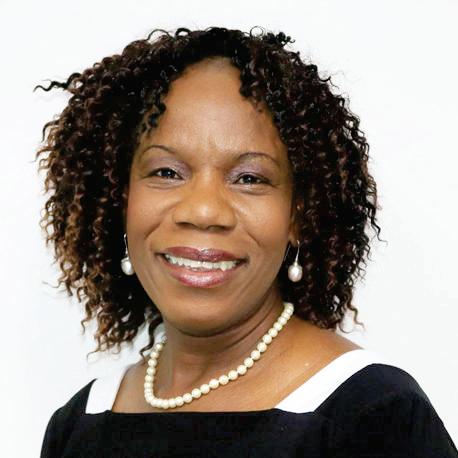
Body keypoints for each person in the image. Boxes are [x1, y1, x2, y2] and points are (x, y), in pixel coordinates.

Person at [36, 26, 457, 457]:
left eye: (250, 178)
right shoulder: (79, 423)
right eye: (166, 172)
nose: (203, 210)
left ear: (299, 215)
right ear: (121, 199)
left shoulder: (373, 415)